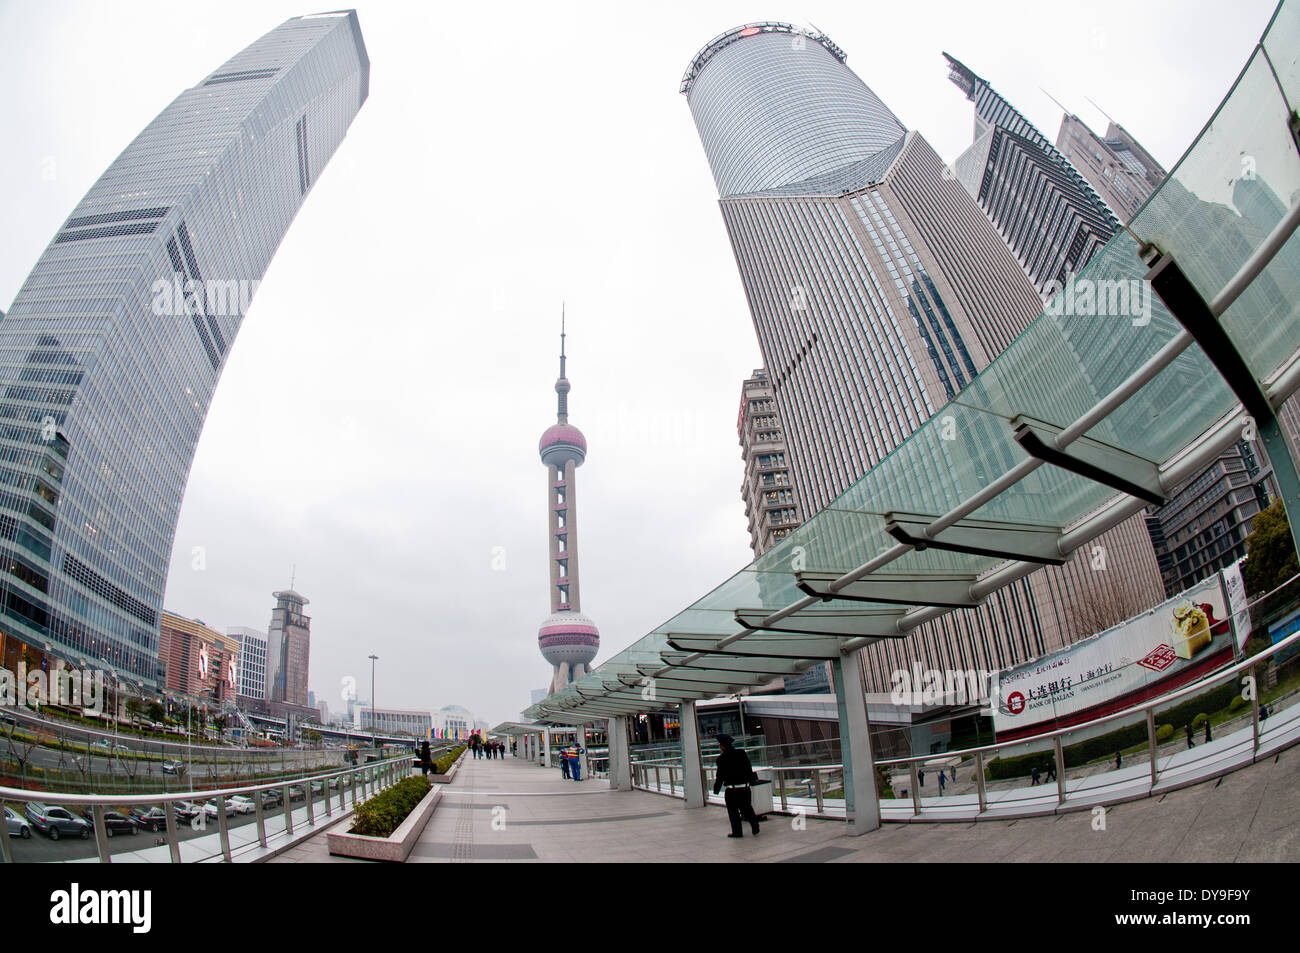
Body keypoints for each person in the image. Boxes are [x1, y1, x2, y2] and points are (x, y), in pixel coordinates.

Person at [712, 734, 760, 838]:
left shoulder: (721, 759)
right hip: (745, 788)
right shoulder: (741, 753)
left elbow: (720, 776)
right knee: (747, 808)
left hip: (732, 790)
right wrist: (752, 781)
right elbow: (749, 768)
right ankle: (755, 826)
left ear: (722, 746)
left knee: (733, 812)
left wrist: (716, 789)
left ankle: (737, 832)